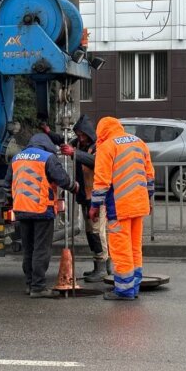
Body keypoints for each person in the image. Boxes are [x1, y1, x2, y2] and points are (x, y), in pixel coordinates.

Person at [5, 133, 78, 298]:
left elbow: (7, 184)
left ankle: (30, 284)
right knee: (41, 250)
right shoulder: (47, 157)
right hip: (41, 210)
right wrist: (75, 186)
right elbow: (62, 179)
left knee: (28, 249)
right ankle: (38, 287)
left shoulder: (17, 158)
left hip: (21, 210)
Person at [89, 117, 154, 301]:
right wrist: (148, 198)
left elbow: (101, 182)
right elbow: (149, 175)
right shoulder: (139, 143)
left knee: (120, 249)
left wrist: (94, 206)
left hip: (119, 206)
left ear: (102, 131)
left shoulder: (107, 146)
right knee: (135, 248)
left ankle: (124, 291)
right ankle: (134, 287)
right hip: (139, 204)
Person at [55, 115, 108, 282]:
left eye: (83, 134)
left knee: (97, 232)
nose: (80, 138)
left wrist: (74, 153)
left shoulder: (98, 146)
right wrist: (49, 132)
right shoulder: (78, 144)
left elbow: (96, 162)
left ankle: (102, 267)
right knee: (90, 232)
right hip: (85, 196)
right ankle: (100, 266)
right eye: (78, 134)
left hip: (97, 196)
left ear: (89, 134)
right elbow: (61, 140)